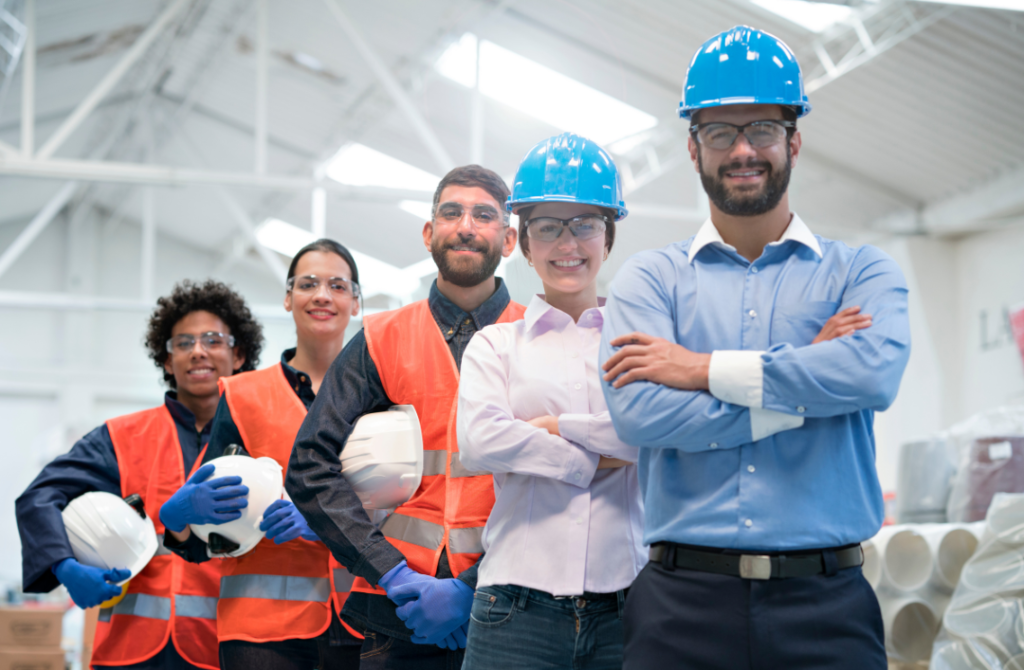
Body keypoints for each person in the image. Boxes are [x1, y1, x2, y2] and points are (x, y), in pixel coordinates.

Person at [599, 26, 910, 670]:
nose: (743, 150)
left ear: (793, 140)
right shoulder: (650, 279)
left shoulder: (861, 272)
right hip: (680, 610)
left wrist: (699, 368)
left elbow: (872, 375)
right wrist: (807, 383)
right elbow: (642, 416)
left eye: (762, 129)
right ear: (693, 149)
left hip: (828, 608)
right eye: (720, 133)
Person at [284, 165, 525, 670]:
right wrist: (393, 573)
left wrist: (471, 587)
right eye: (451, 212)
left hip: (515, 609)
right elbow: (310, 463)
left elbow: (563, 484)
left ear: (507, 240)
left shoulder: (538, 335)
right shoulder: (380, 338)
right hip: (397, 612)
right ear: (428, 233)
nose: (465, 225)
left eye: (483, 215)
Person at [457, 133, 645, 670]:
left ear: (608, 237)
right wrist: (595, 457)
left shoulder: (640, 342)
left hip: (627, 609)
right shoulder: (496, 343)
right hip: (514, 610)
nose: (568, 244)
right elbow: (480, 441)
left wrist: (555, 427)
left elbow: (650, 431)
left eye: (585, 224)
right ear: (525, 242)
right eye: (548, 227)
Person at [16, 280, 264, 670]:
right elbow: (40, 496)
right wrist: (64, 565)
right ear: (166, 361)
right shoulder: (119, 437)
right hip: (128, 651)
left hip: (226, 650)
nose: (197, 351)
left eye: (213, 340)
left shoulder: (261, 437)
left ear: (239, 354)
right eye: (183, 343)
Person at [160, 240, 364, 670]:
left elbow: (407, 505)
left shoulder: (381, 392)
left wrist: (328, 523)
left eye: (338, 285)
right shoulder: (242, 396)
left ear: (356, 302)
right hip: (262, 635)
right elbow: (206, 537)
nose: (323, 295)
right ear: (288, 298)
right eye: (308, 284)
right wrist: (178, 521)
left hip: (363, 619)